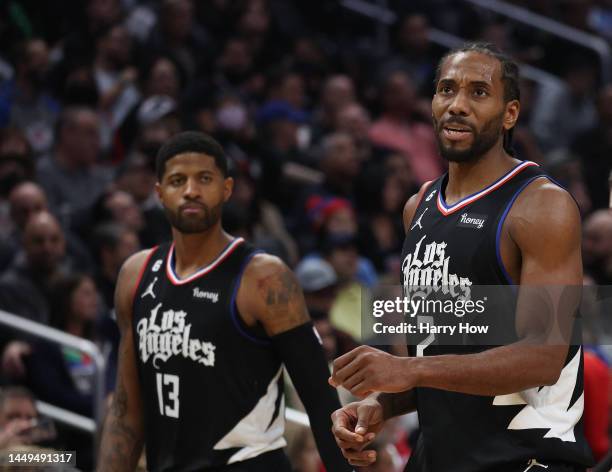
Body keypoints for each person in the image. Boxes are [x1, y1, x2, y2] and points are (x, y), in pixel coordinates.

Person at [329, 42, 594, 471]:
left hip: (525, 459)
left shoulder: (541, 205)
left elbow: (543, 357)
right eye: (446, 89)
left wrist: (410, 372)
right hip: (442, 455)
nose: (457, 105)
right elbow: (435, 355)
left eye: (478, 92)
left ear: (510, 114)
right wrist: (382, 402)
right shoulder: (418, 206)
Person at [97, 131, 352, 471]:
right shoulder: (136, 273)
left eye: (204, 178)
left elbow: (321, 401)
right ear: (159, 193)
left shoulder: (263, 276)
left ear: (227, 189)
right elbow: (127, 409)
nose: (191, 190)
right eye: (177, 180)